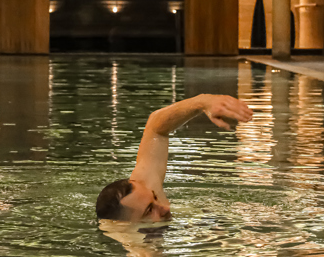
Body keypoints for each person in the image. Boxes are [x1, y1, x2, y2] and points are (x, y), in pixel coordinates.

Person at [96, 94, 253, 222]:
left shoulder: (144, 190)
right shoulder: (132, 248)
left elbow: (155, 128)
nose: (164, 208)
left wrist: (204, 102)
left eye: (156, 197)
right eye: (149, 210)